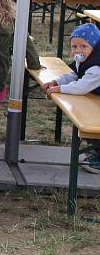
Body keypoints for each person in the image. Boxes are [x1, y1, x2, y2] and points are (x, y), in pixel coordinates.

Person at [42, 23, 100, 172]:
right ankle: (96, 149)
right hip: (95, 97)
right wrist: (56, 81)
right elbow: (73, 74)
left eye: (83, 46)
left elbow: (81, 87)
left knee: (92, 123)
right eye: (74, 47)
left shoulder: (96, 67)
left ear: (94, 46)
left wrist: (60, 89)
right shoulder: (83, 60)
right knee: (84, 116)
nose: (78, 51)